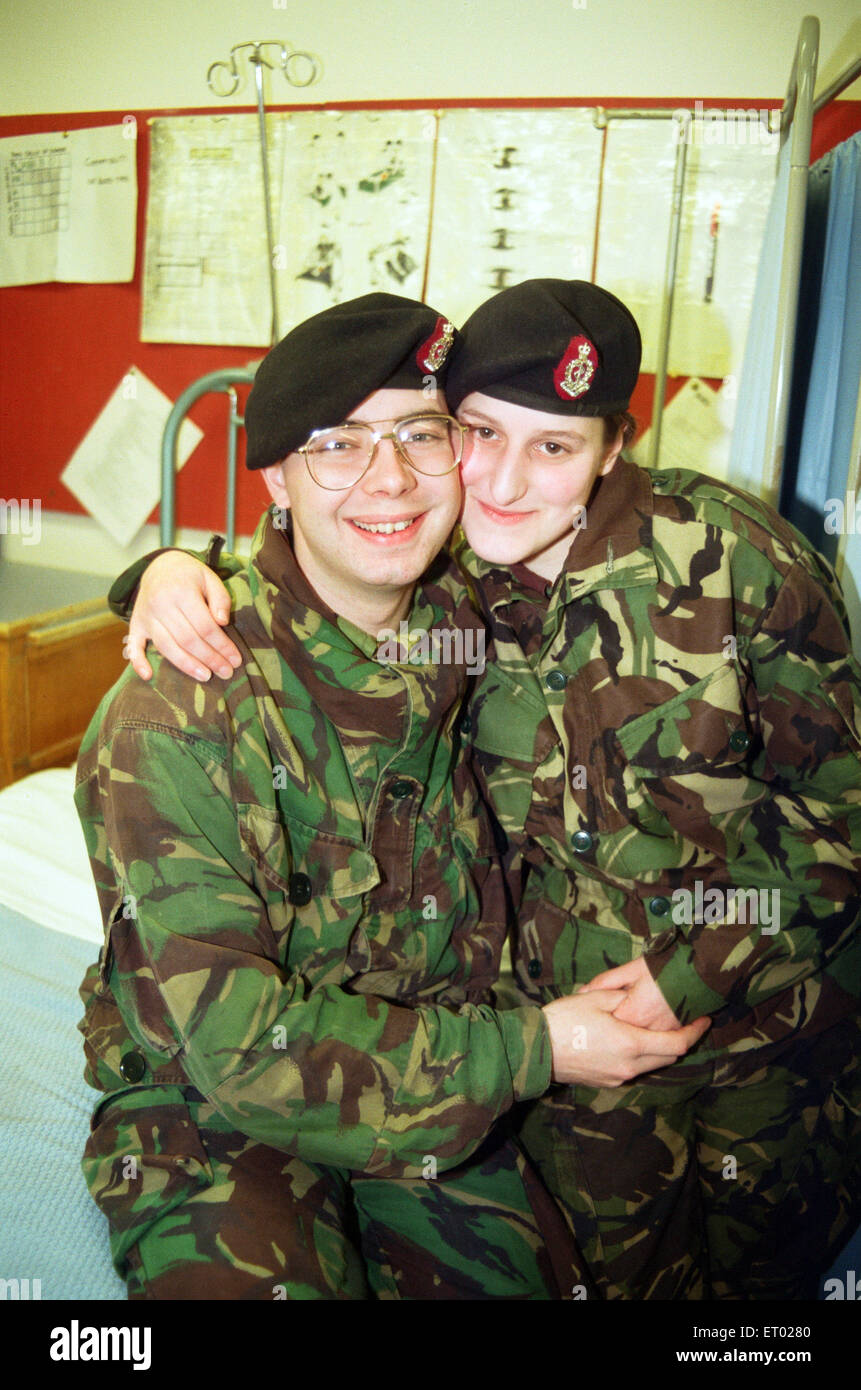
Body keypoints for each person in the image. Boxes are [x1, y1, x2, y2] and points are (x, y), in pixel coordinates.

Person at [122, 279, 861, 1302]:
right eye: (477, 434)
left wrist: (691, 969)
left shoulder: (734, 561)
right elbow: (306, 576)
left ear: (613, 448)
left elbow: (840, 813)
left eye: (553, 445)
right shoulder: (447, 572)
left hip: (767, 1027)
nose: (505, 482)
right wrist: (165, 571)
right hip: (566, 1058)